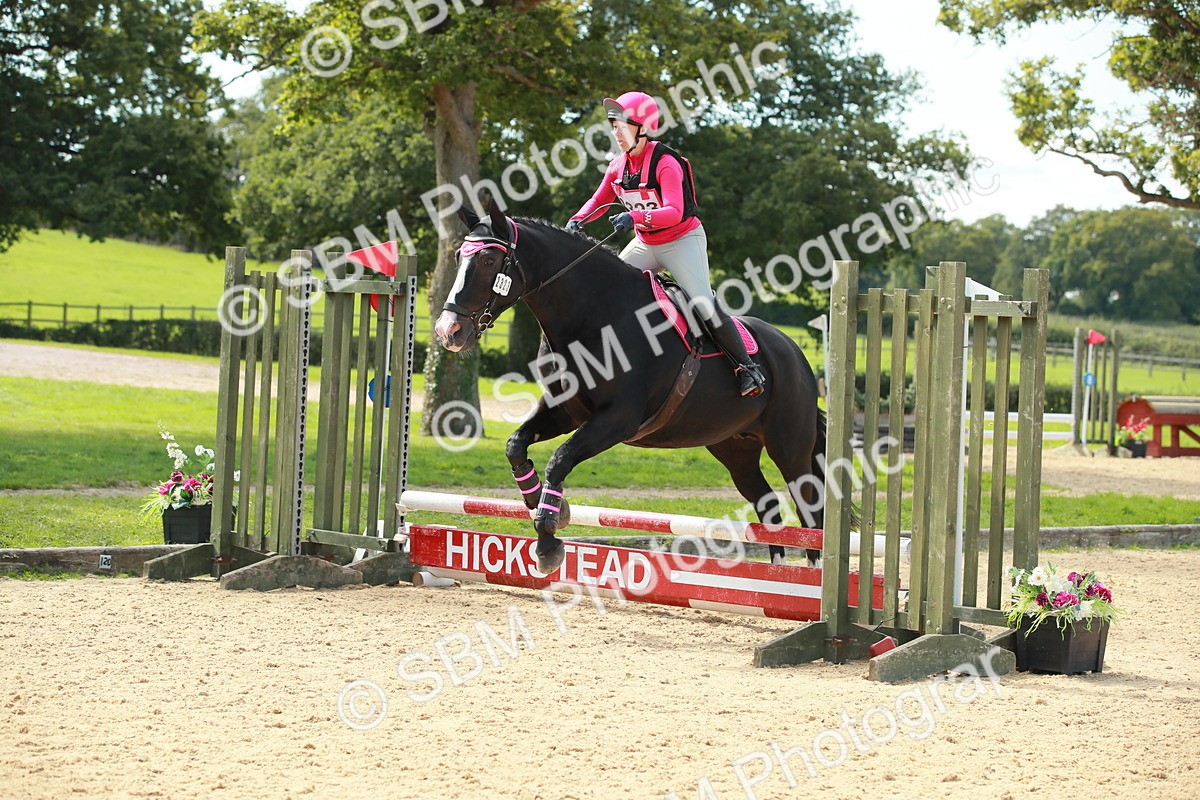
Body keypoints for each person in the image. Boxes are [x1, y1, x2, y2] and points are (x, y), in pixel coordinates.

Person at [566, 91, 766, 397]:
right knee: (605, 290)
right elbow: (599, 200)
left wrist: (634, 216)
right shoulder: (617, 166)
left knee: (701, 301)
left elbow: (674, 211)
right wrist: (577, 220)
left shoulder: (666, 162)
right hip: (646, 243)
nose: (615, 132)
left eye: (622, 125)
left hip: (682, 240)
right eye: (613, 126)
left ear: (643, 128)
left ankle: (746, 367)